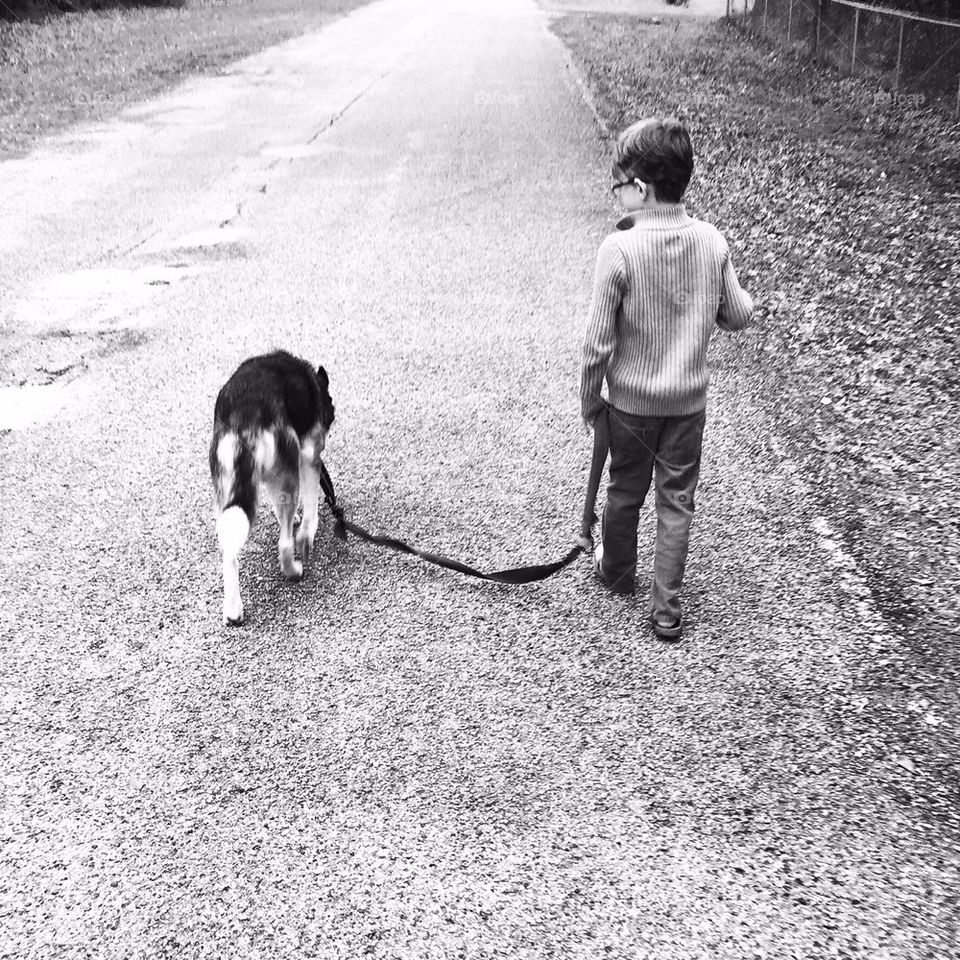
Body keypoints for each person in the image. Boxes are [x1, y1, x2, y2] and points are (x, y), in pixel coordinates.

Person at [580, 117, 754, 640]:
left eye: (619, 185)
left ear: (641, 187)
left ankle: (616, 573)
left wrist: (591, 400)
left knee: (625, 490)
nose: (617, 195)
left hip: (631, 406)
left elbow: (597, 343)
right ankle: (666, 610)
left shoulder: (620, 249)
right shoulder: (711, 241)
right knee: (677, 500)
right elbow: (737, 315)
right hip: (687, 407)